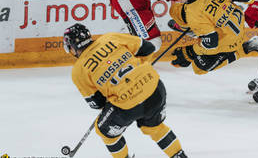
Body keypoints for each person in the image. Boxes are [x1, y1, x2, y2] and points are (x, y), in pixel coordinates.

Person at [63, 23, 188, 158]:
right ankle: (179, 155)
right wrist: (138, 69)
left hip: (127, 105)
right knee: (155, 127)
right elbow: (148, 48)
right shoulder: (109, 38)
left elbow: (97, 103)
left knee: (104, 131)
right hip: (154, 87)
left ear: (72, 47)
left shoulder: (78, 71)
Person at [169, 0, 258, 75]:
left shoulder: (194, 12)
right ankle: (195, 30)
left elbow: (211, 44)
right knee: (182, 14)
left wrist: (190, 52)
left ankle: (244, 49)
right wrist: (255, 4)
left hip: (228, 42)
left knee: (199, 67)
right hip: (237, 24)